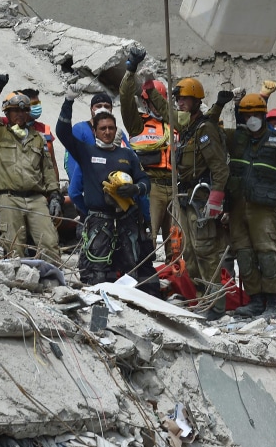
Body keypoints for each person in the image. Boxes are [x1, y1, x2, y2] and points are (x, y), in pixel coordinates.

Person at [56, 86, 160, 295]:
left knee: (133, 267)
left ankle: (135, 311)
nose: (107, 132)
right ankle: (99, 310)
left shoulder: (127, 155)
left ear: (115, 130)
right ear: (94, 130)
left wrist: (134, 189)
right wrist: (68, 101)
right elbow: (62, 132)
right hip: (98, 222)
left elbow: (145, 181)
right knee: (97, 269)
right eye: (102, 128)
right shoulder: (85, 151)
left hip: (127, 220)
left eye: (111, 128)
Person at [0, 77, 62, 263]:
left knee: (49, 242)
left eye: (24, 110)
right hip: (9, 197)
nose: (20, 114)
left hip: (36, 198)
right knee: (13, 245)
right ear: (7, 112)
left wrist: (55, 194)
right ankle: (16, 283)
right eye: (15, 110)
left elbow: (47, 169)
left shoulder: (38, 138)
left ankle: (54, 283)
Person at [215, 94, 276, 320]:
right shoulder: (235, 139)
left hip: (263, 208)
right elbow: (213, 130)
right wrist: (221, 106)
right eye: (246, 114)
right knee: (244, 254)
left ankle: (272, 302)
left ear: (263, 115)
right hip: (238, 206)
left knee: (267, 254)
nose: (251, 118)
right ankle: (255, 300)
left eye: (255, 114)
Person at [173, 77, 232, 320]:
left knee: (206, 251)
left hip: (202, 198)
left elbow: (220, 167)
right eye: (178, 99)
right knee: (189, 253)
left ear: (196, 101)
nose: (180, 104)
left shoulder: (204, 129)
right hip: (187, 197)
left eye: (184, 99)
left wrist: (216, 199)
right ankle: (202, 298)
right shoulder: (188, 130)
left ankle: (216, 305)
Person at [119, 46, 175, 261]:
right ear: (143, 101)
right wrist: (131, 69)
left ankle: (176, 281)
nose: (150, 104)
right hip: (151, 187)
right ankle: (145, 278)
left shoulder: (175, 125)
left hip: (176, 186)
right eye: (148, 100)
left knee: (178, 241)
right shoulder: (138, 124)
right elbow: (125, 98)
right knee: (147, 238)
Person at [0, 75, 60, 182]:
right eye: (33, 104)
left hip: (39, 188)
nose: (37, 107)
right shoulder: (9, 124)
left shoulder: (44, 129)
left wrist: (55, 190)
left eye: (38, 104)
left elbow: (52, 164)